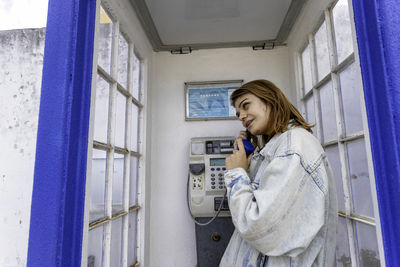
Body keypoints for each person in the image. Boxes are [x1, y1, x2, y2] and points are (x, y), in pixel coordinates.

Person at [219, 80, 338, 267]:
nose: (241, 116)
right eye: (238, 114)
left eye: (246, 105)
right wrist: (249, 164)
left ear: (270, 99)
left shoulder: (293, 146)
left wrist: (237, 174)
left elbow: (257, 224)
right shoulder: (277, 147)